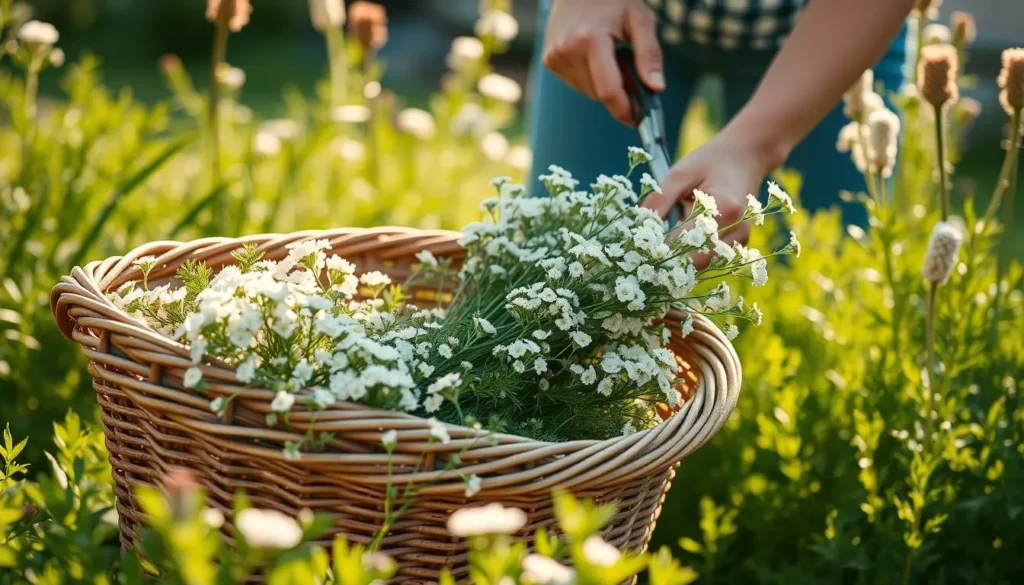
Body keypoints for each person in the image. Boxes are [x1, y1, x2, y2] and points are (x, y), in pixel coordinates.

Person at [526, 0, 918, 244]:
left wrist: (755, 144)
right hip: (618, 19)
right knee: (559, 252)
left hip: (835, 28)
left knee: (829, 282)